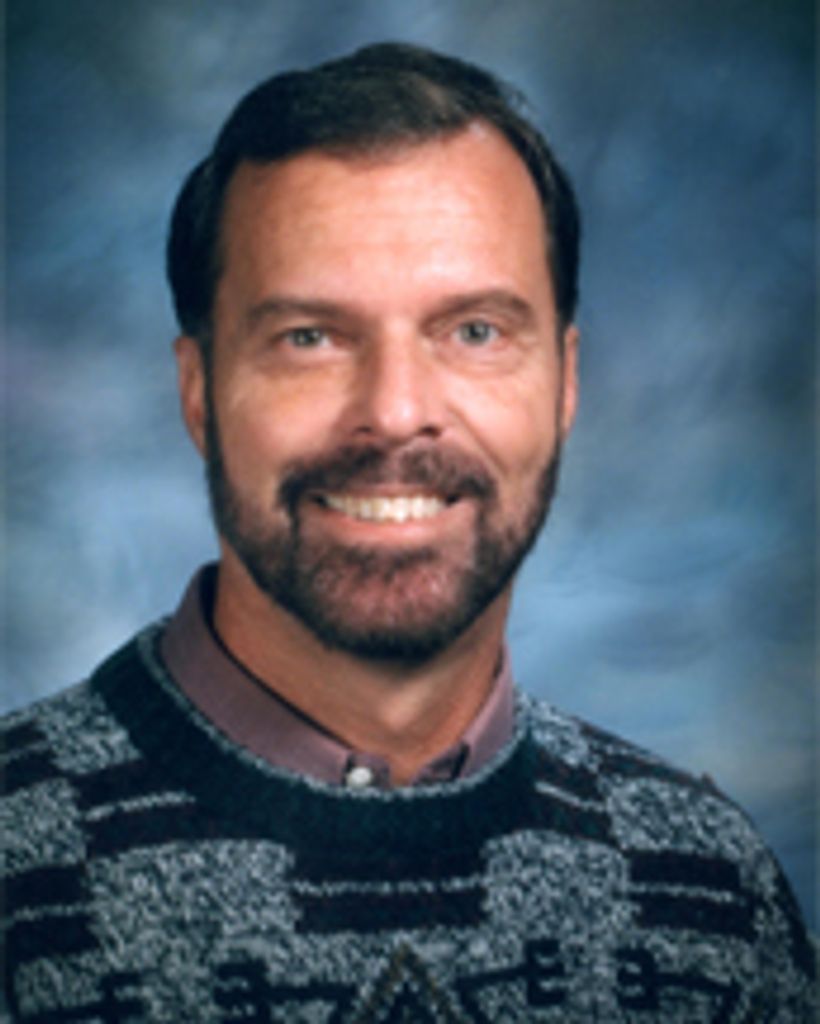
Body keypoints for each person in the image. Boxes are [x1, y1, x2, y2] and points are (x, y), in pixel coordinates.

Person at [1, 42, 815, 1022]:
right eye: (309, 337)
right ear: (198, 392)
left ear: (564, 383)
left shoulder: (708, 892)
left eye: (474, 331)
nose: (393, 414)